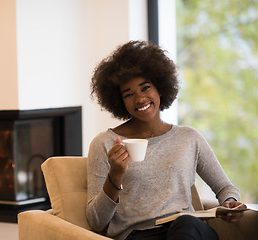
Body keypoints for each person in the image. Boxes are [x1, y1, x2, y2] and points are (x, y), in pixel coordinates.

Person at [86, 40, 246, 240]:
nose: (140, 99)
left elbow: (225, 188)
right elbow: (96, 221)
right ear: (120, 102)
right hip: (140, 236)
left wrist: (230, 202)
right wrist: (115, 176)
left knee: (187, 223)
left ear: (160, 88)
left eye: (145, 88)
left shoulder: (189, 137)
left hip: (188, 231)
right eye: (129, 94)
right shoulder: (105, 143)